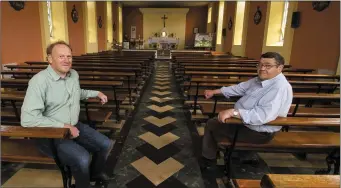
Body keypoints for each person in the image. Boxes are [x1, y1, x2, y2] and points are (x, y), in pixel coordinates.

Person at [21, 41, 114, 188]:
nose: (66, 60)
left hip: (74, 125)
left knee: (106, 144)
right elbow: (28, 119)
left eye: (69, 56)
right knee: (82, 158)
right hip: (51, 134)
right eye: (61, 56)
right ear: (50, 59)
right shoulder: (39, 82)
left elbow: (78, 93)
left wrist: (97, 93)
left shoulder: (73, 75)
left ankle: (94, 174)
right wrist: (64, 126)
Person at [201, 52, 293, 169]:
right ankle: (241, 154)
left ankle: (209, 160)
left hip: (258, 132)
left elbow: (262, 116)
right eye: (260, 65)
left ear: (280, 68)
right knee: (216, 123)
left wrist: (233, 112)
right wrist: (215, 91)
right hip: (246, 124)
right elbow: (239, 88)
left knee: (212, 125)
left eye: (268, 66)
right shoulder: (260, 79)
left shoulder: (279, 87)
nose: (262, 68)